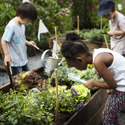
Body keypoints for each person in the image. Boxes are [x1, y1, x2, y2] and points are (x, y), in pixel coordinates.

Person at [61, 32, 125, 125]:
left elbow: (113, 84)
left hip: (122, 89)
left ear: (79, 60)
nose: (74, 68)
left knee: (107, 116)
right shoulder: (97, 53)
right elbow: (114, 72)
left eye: (73, 65)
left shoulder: (98, 62)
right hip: (121, 84)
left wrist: (94, 83)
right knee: (112, 114)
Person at [1, 2, 37, 76]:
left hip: (23, 58)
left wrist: (28, 42)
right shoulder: (11, 27)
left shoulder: (22, 25)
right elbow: (3, 40)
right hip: (15, 62)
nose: (28, 22)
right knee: (18, 81)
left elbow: (21, 39)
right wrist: (7, 55)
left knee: (28, 77)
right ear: (21, 17)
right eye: (28, 20)